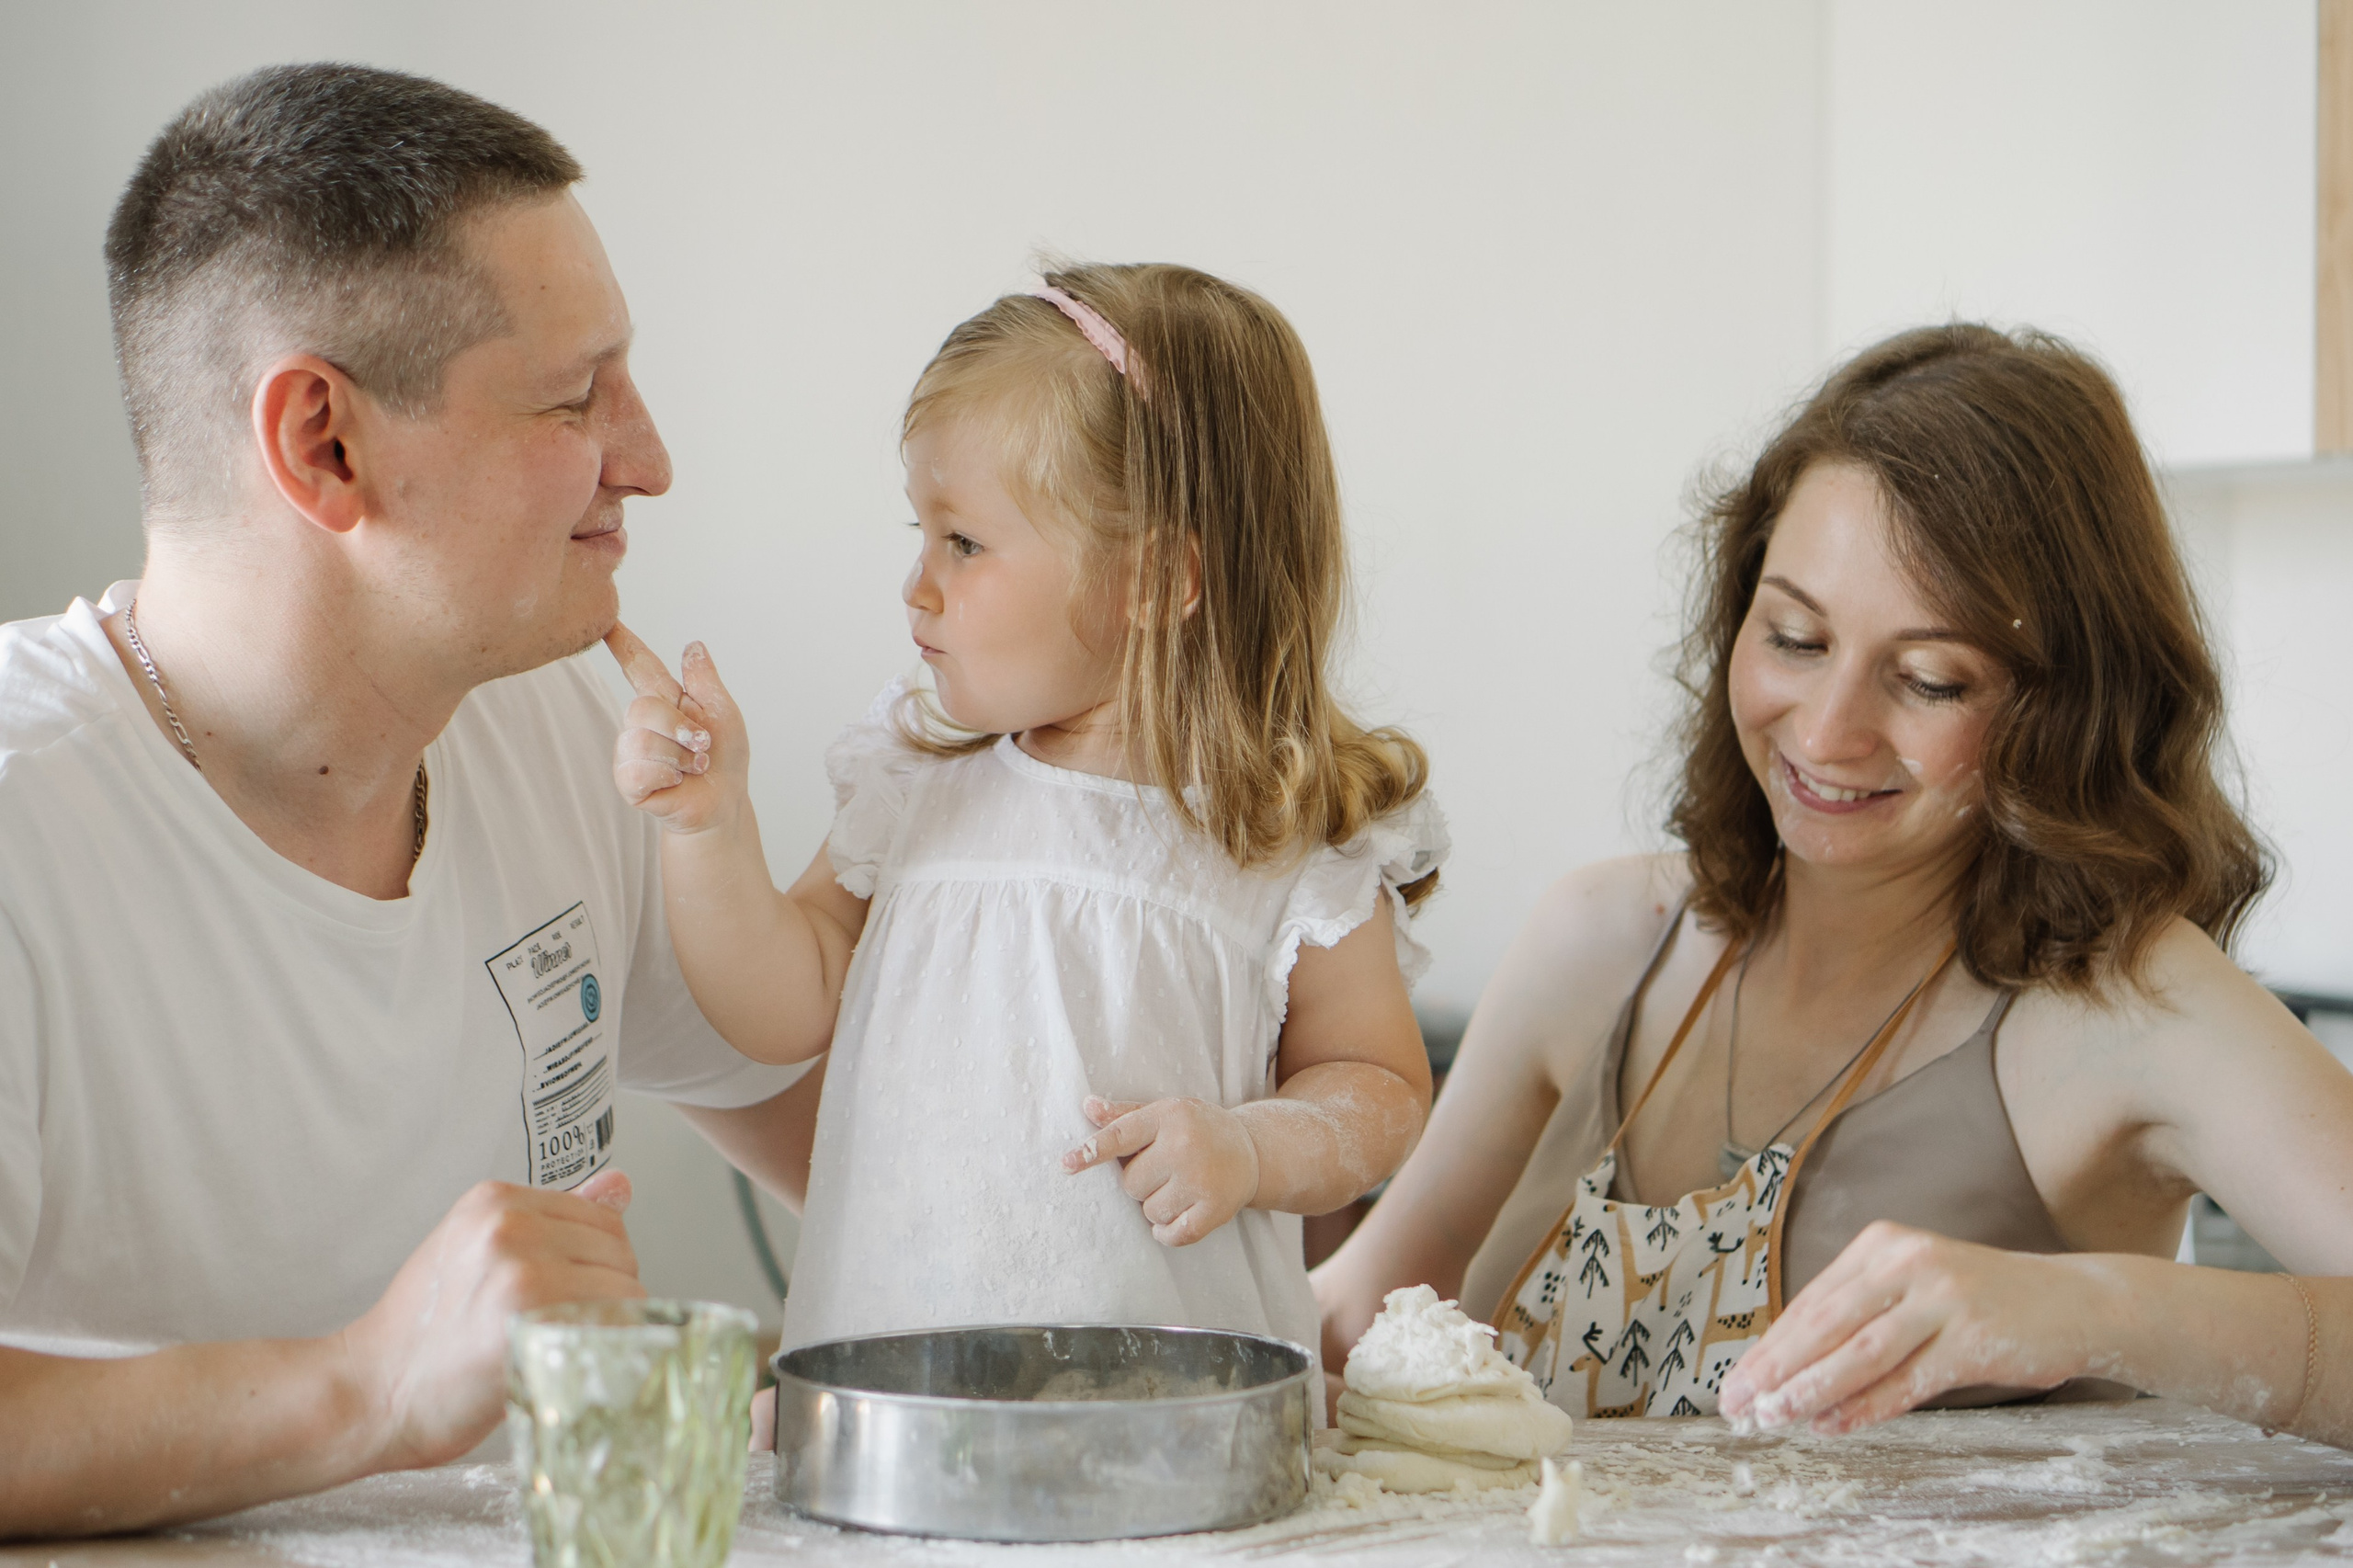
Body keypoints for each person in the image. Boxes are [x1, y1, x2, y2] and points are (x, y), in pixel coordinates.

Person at [0, 65, 819, 1538]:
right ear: (324, 440)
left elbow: (864, 1143)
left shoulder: (570, 730)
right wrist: (369, 1386)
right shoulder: (22, 824)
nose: (648, 461)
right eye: (577, 397)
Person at [1316, 324, 2353, 1444]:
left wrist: (2097, 1309)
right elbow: (1350, 1318)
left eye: (1928, 678)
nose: (1825, 731)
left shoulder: (2126, 1005)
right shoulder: (1601, 939)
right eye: (1796, 637)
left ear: (2068, 706)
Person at [606, 265, 1446, 1362]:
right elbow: (772, 1011)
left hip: (1174, 1431)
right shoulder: (913, 791)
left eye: (962, 542)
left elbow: (1380, 1091)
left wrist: (1249, 1146)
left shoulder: (1279, 841)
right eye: (920, 532)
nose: (917, 584)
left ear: (1152, 579)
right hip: (897, 1410)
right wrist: (708, 830)